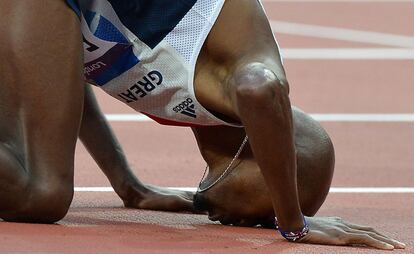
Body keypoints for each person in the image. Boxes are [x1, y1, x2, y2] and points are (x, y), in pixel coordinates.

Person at [0, 0, 405, 250]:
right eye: (261, 211)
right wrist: (293, 223)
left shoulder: (191, 105)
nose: (243, 221)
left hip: (55, 12)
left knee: (42, 188)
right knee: (43, 195)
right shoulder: (240, 70)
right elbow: (261, 89)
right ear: (256, 164)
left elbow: (63, 74)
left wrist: (128, 184)